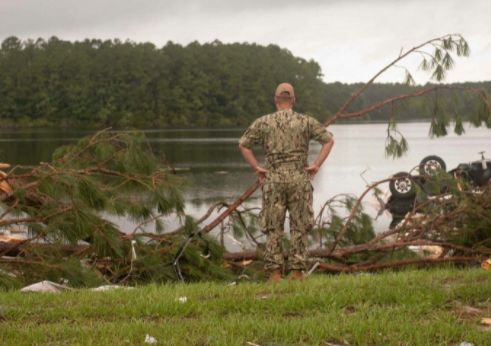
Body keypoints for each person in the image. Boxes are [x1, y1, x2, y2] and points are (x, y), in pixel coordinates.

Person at [238, 82, 334, 282]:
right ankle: (296, 272)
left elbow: (243, 144)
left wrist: (257, 168)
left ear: (276, 101)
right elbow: (329, 140)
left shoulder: (264, 122)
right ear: (293, 100)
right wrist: (315, 165)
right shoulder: (305, 121)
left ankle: (274, 273)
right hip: (299, 179)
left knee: (274, 228)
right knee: (299, 226)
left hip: (273, 180)